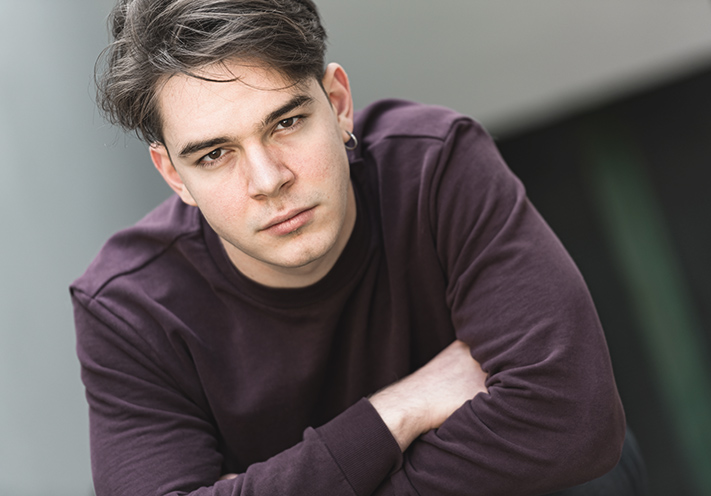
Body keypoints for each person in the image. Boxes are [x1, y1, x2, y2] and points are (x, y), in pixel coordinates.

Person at [71, 1, 644, 494]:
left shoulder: (435, 166)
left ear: (338, 103)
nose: (269, 179)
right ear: (173, 176)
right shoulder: (128, 309)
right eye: (214, 155)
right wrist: (401, 409)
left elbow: (575, 420)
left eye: (286, 123)